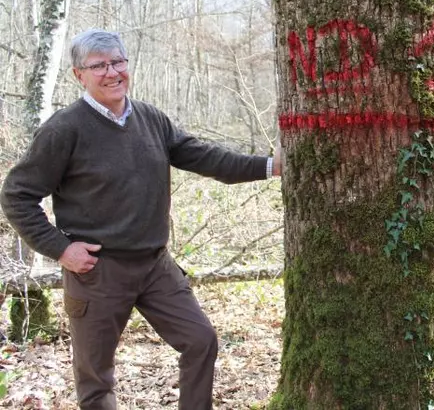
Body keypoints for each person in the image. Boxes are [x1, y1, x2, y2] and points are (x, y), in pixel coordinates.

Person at [0, 29, 282, 410]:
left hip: (155, 266)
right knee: (96, 378)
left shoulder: (150, 118)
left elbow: (207, 158)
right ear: (78, 75)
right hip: (97, 271)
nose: (112, 72)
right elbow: (17, 195)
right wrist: (62, 249)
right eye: (98, 65)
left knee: (201, 341)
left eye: (117, 61)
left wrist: (270, 166)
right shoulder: (64, 129)